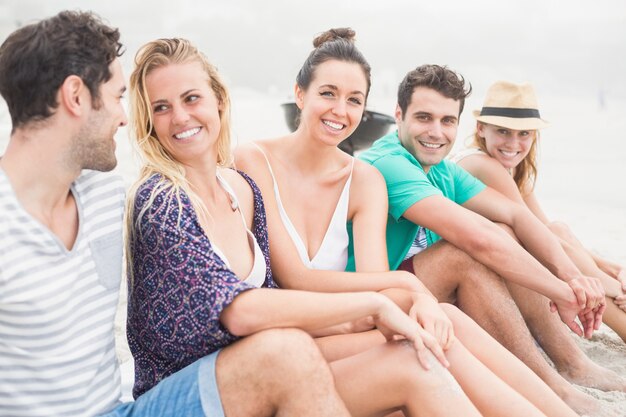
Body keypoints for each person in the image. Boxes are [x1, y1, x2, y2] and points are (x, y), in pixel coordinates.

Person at [126, 37, 496, 417]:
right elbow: (252, 305)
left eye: (191, 99)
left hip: (269, 357)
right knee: (416, 351)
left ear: (219, 99)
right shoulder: (162, 202)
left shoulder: (238, 190)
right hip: (201, 386)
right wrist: (388, 297)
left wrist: (395, 304)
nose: (182, 117)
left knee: (431, 335)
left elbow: (271, 293)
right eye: (161, 107)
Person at [0, 11, 347, 417]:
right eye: (116, 97)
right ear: (76, 96)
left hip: (120, 409)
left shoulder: (104, 195)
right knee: (285, 353)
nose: (126, 117)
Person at [235, 28, 577, 417]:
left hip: (340, 326)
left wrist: (414, 300)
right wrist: (411, 286)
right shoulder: (253, 159)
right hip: (284, 337)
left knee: (442, 319)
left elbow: (377, 281)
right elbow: (294, 276)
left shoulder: (363, 180)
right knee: (427, 335)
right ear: (300, 93)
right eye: (327, 93)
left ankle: (558, 408)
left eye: (354, 100)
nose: (340, 111)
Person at [351, 64, 626, 415]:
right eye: (424, 118)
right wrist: (564, 292)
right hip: (371, 299)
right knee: (463, 254)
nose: (436, 132)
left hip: (419, 290)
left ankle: (573, 365)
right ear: (399, 115)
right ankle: (554, 387)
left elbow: (517, 215)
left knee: (505, 233)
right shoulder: (389, 163)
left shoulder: (442, 169)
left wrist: (573, 276)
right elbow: (477, 239)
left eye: (447, 121)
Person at [451, 80, 626, 343]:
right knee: (546, 239)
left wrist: (609, 268)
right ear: (481, 128)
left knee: (559, 228)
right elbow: (538, 238)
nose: (514, 143)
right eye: (503, 131)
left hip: (499, 266)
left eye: (524, 134)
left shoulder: (511, 168)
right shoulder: (481, 164)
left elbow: (547, 231)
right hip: (467, 277)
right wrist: (609, 287)